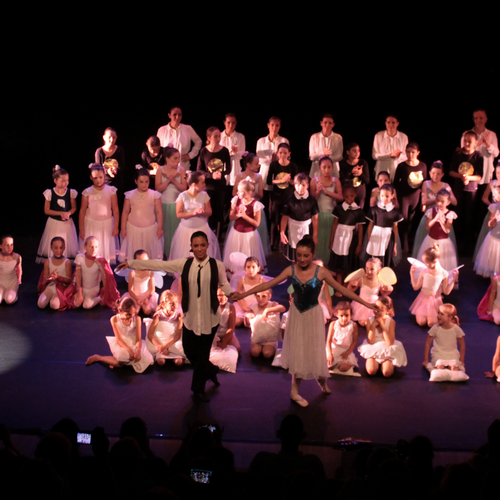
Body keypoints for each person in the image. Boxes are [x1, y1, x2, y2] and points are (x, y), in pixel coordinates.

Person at [231, 236, 376, 407]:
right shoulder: (292, 269)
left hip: (313, 315)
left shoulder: (321, 272)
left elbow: (342, 289)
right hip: (297, 315)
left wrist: (366, 303)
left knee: (314, 349)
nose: (302, 259)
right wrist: (242, 295)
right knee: (299, 351)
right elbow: (266, 285)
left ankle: (321, 379)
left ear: (312, 254)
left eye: (306, 256)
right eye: (299, 255)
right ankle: (294, 391)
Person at [116, 231, 233, 402]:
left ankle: (197, 389)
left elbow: (225, 285)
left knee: (202, 355)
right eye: (196, 246)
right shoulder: (184, 264)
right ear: (191, 247)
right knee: (190, 352)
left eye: (202, 245)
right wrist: (132, 263)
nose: (199, 249)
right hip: (191, 318)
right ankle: (211, 371)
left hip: (209, 318)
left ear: (207, 245)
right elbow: (159, 265)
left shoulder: (218, 266)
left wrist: (234, 295)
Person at [86, 297, 153, 373]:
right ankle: (99, 358)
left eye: (133, 314)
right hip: (122, 344)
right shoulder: (114, 319)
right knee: (122, 357)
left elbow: (138, 338)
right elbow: (119, 339)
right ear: (120, 311)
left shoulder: (137, 319)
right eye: (128, 314)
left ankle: (121, 362)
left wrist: (138, 351)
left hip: (134, 342)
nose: (131, 317)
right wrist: (130, 351)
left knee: (148, 359)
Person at [169, 171, 221, 261]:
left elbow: (209, 212)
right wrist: (193, 213)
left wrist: (203, 211)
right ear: (194, 184)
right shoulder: (183, 196)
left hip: (201, 229)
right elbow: (179, 214)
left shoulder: (204, 195)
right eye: (202, 183)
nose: (204, 185)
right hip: (186, 231)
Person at [448, 130, 483, 254]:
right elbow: (451, 171)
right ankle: (455, 245)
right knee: (457, 216)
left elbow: (479, 176)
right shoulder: (458, 154)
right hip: (458, 189)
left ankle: (467, 246)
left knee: (469, 217)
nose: (467, 143)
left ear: (476, 143)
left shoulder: (478, 156)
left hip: (471, 190)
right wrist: (461, 176)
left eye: (470, 141)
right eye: (465, 141)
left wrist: (469, 178)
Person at [223, 179, 267, 276]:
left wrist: (244, 216)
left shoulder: (256, 205)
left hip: (249, 235)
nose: (237, 193)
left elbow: (256, 223)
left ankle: (248, 275)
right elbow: (231, 217)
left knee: (248, 255)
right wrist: (238, 215)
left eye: (240, 191)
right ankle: (234, 274)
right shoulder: (235, 200)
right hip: (236, 233)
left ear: (248, 192)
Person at [119, 168, 164, 262]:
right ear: (136, 181)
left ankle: (148, 273)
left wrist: (160, 228)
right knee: (134, 253)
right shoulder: (130, 195)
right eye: (141, 182)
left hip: (150, 230)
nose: (144, 184)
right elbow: (125, 212)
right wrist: (123, 228)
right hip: (133, 229)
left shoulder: (155, 195)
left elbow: (159, 212)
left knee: (148, 254)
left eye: (146, 181)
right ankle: (134, 274)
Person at [36, 166, 78, 263]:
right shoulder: (50, 192)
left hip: (67, 224)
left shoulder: (71, 192)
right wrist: (60, 213)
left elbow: (74, 207)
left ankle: (65, 264)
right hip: (54, 224)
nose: (66, 183)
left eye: (67, 180)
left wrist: (68, 213)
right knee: (55, 243)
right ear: (55, 181)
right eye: (63, 180)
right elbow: (46, 210)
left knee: (66, 244)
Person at [79, 164, 120, 264]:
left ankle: (104, 272)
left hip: (106, 225)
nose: (98, 180)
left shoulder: (111, 190)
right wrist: (81, 228)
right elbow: (82, 210)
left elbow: (115, 209)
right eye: (95, 178)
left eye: (101, 177)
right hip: (91, 225)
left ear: (105, 176)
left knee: (105, 251)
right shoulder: (87, 192)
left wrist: (116, 226)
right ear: (91, 178)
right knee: (91, 250)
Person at [410, 244, 459, 327]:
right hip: (423, 300)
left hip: (435, 301)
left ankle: (429, 316)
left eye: (426, 263)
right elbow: (415, 287)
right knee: (421, 322)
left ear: (435, 261)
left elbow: (446, 291)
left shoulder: (444, 273)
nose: (425, 264)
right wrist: (411, 273)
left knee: (431, 323)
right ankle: (422, 313)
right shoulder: (424, 271)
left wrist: (453, 279)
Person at [358, 296, 407, 377]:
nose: (377, 311)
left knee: (386, 373)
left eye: (380, 309)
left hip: (387, 348)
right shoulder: (369, 321)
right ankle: (374, 361)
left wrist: (383, 326)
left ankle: (387, 362)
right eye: (376, 308)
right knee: (371, 371)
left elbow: (389, 342)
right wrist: (373, 326)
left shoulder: (391, 322)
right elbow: (370, 341)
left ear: (387, 311)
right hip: (374, 347)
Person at [393, 142, 427, 253]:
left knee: (410, 221)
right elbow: (395, 184)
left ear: (418, 153)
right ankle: (404, 244)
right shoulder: (402, 166)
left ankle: (408, 240)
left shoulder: (422, 166)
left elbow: (424, 185)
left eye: (413, 152)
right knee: (403, 219)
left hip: (416, 197)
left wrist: (423, 201)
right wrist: (396, 199)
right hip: (404, 197)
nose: (410, 154)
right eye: (408, 152)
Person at [328, 184, 366, 285]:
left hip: (351, 238)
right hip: (339, 238)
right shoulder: (339, 209)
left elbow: (361, 228)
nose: (349, 199)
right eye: (346, 196)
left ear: (355, 195)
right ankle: (339, 284)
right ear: (343, 196)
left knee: (349, 261)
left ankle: (346, 284)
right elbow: (335, 225)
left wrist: (359, 244)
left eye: (351, 196)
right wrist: (331, 241)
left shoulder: (359, 211)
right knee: (339, 261)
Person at [197, 127, 231, 236]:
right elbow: (199, 169)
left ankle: (218, 237)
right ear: (209, 138)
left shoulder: (224, 150)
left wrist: (222, 174)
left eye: (219, 136)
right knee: (208, 211)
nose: (218, 138)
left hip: (220, 186)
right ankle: (208, 235)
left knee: (220, 211)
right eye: (215, 136)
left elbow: (228, 168)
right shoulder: (204, 151)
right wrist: (211, 175)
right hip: (208, 186)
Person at [155, 147, 187, 258]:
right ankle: (162, 255)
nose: (178, 160)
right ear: (167, 159)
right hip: (163, 205)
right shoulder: (160, 170)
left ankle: (174, 255)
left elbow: (184, 188)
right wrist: (168, 180)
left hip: (176, 206)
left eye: (178, 158)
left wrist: (174, 181)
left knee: (174, 231)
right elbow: (158, 189)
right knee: (164, 231)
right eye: (175, 158)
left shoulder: (181, 170)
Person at [310, 156, 343, 264]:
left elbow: (341, 197)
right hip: (318, 216)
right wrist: (318, 191)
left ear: (332, 167)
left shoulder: (336, 181)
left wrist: (327, 192)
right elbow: (311, 200)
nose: (327, 170)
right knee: (318, 240)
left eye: (329, 167)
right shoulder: (314, 181)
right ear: (319, 168)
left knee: (330, 240)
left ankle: (329, 265)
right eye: (324, 167)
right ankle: (317, 264)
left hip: (331, 216)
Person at [280, 173, 319, 262]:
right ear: (294, 185)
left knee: (306, 254)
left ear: (307, 186)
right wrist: (282, 232)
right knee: (294, 255)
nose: (300, 188)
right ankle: (295, 274)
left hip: (306, 229)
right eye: (297, 185)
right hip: (293, 229)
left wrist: (315, 235)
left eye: (303, 185)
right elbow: (285, 217)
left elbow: (315, 218)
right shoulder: (289, 200)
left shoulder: (312, 200)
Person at [416, 190, 458, 272]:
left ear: (448, 203)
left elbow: (447, 230)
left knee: (442, 262)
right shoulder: (431, 211)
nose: (439, 204)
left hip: (443, 243)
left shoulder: (450, 214)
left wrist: (442, 221)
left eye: (442, 202)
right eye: (438, 201)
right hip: (431, 240)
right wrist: (435, 218)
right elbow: (427, 227)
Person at [266, 143, 298, 249]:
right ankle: (272, 243)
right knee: (275, 220)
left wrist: (290, 181)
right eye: (280, 153)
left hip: (288, 197)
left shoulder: (293, 166)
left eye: (285, 153)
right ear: (277, 153)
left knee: (287, 220)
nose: (283, 155)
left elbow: (296, 182)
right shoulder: (274, 165)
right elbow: (269, 181)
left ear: (289, 153)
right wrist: (281, 180)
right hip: (276, 196)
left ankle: (285, 242)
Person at [74, 236, 120, 309]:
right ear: (85, 247)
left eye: (96, 247)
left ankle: (100, 298)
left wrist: (105, 292)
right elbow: (78, 275)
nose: (94, 249)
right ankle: (83, 296)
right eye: (91, 246)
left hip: (93, 289)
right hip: (83, 288)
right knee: (76, 304)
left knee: (86, 305)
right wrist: (79, 292)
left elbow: (105, 277)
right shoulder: (80, 257)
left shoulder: (100, 261)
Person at [366, 183, 403, 268]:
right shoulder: (374, 209)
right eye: (382, 196)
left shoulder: (395, 211)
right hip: (375, 237)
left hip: (388, 239)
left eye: (387, 196)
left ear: (392, 196)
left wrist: (395, 245)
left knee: (385, 262)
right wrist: (369, 241)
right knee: (374, 262)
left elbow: (395, 228)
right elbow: (370, 226)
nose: (384, 198)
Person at [347, 257, 393, 327]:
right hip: (362, 303)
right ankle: (369, 322)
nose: (369, 271)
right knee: (362, 322)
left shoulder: (379, 281)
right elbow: (349, 292)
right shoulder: (362, 279)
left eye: (372, 269)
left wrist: (389, 289)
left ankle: (374, 322)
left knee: (378, 318)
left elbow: (384, 294)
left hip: (374, 304)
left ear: (378, 270)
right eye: (367, 268)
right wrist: (350, 285)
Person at [460, 109, 499, 187]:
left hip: (486, 174)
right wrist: (478, 144)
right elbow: (463, 154)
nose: (478, 120)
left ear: (486, 119)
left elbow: (496, 153)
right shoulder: (466, 134)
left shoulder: (492, 135)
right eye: (476, 118)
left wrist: (487, 143)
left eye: (481, 118)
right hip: (470, 175)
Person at [146, 290, 186, 366]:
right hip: (161, 342)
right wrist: (160, 347)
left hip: (171, 342)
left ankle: (175, 354)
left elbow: (177, 335)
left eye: (176, 302)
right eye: (171, 303)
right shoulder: (158, 316)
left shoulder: (178, 316)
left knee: (179, 362)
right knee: (161, 362)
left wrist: (165, 346)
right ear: (163, 304)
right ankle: (161, 353)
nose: (175, 305)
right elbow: (150, 334)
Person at [423, 303, 465, 372]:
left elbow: (462, 345)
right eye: (438, 313)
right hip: (438, 353)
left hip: (452, 354)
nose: (438, 316)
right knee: (439, 366)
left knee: (454, 368)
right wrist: (426, 360)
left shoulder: (456, 329)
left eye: (442, 314)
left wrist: (461, 361)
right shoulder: (435, 328)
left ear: (450, 317)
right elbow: (427, 343)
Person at [247, 290, 285, 360]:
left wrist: (267, 310)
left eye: (263, 296)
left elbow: (282, 308)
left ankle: (271, 347)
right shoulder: (253, 306)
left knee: (267, 354)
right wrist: (247, 317)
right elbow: (247, 324)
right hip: (257, 338)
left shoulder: (273, 305)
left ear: (269, 296)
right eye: (258, 296)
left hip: (270, 340)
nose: (260, 299)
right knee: (255, 353)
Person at [256, 116, 290, 197]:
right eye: (272, 125)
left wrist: (276, 162)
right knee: (264, 197)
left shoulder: (284, 141)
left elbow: (287, 158)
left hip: (279, 172)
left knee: (277, 198)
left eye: (277, 125)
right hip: (264, 172)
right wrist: (272, 161)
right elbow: (258, 160)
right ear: (268, 125)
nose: (274, 128)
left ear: (280, 126)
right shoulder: (261, 141)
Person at [37, 237, 73, 310]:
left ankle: (54, 299)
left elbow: (69, 280)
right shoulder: (48, 261)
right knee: (41, 304)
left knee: (54, 305)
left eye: (61, 248)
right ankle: (50, 298)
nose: (58, 250)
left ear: (64, 248)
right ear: (51, 248)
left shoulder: (67, 262)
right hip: (50, 287)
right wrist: (50, 276)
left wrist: (58, 277)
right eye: (56, 248)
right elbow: (44, 279)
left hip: (61, 289)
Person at [233, 256, 269, 326]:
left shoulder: (262, 281)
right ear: (245, 268)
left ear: (258, 268)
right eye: (248, 267)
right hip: (245, 304)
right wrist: (245, 308)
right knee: (236, 322)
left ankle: (248, 320)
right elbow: (239, 296)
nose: (251, 270)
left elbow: (267, 296)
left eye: (253, 267)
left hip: (257, 304)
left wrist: (259, 306)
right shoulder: (242, 280)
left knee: (252, 323)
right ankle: (244, 318)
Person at [372, 114, 408, 181]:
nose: (391, 125)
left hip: (397, 172)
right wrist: (390, 155)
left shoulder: (404, 137)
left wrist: (398, 155)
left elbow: (406, 156)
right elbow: (374, 155)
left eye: (393, 122)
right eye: (388, 122)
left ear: (397, 123)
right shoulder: (378, 136)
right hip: (382, 172)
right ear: (385, 123)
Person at [122, 250, 158, 316]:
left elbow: (152, 288)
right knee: (135, 312)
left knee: (147, 311)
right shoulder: (132, 273)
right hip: (135, 296)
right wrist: (136, 299)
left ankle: (144, 307)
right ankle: (138, 306)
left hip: (146, 296)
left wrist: (148, 298)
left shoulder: (150, 272)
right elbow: (130, 289)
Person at [326, 301, 359, 374]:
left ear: (351, 315)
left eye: (347, 315)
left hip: (345, 350)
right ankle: (334, 364)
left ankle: (347, 363)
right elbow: (328, 341)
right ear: (337, 315)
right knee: (328, 366)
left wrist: (347, 352)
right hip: (334, 349)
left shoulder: (353, 325)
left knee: (343, 368)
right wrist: (330, 354)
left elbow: (354, 341)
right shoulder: (333, 324)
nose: (344, 318)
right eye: (341, 316)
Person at [475, 184, 500, 277]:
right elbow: (490, 225)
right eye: (493, 195)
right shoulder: (494, 207)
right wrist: (495, 219)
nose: (493, 197)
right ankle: (493, 281)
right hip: (493, 239)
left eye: (496, 194)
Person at [308, 113, 343, 178]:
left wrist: (328, 157)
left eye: (330, 123)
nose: (327, 125)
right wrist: (323, 154)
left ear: (333, 125)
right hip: (317, 172)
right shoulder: (314, 137)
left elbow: (339, 156)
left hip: (333, 173)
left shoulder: (338, 138)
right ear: (321, 123)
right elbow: (312, 157)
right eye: (325, 122)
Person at [94, 127, 125, 194]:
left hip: (117, 184)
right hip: (104, 184)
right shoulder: (99, 151)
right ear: (104, 137)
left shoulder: (120, 150)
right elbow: (98, 169)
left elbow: (122, 166)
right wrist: (107, 171)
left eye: (114, 137)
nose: (112, 140)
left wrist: (116, 170)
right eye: (109, 137)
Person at [339, 142, 370, 209]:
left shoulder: (363, 163)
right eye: (354, 150)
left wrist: (360, 174)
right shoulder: (343, 163)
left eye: (358, 150)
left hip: (360, 191)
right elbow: (342, 179)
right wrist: (351, 172)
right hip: (348, 191)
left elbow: (367, 181)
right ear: (348, 152)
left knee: (359, 212)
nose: (357, 152)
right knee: (348, 211)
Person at [219, 112, 246, 188]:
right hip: (222, 166)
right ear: (224, 123)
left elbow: (242, 154)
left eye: (233, 123)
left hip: (235, 166)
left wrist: (236, 152)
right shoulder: (220, 136)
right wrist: (229, 152)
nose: (231, 125)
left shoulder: (240, 137)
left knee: (233, 190)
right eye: (228, 122)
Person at [0, 235, 22, 305]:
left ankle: (12, 295)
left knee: (9, 300)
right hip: (1, 282)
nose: (10, 247)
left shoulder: (17, 257)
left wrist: (19, 279)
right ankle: (2, 294)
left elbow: (19, 268)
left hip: (12, 282)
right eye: (7, 245)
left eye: (11, 245)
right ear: (1, 246)